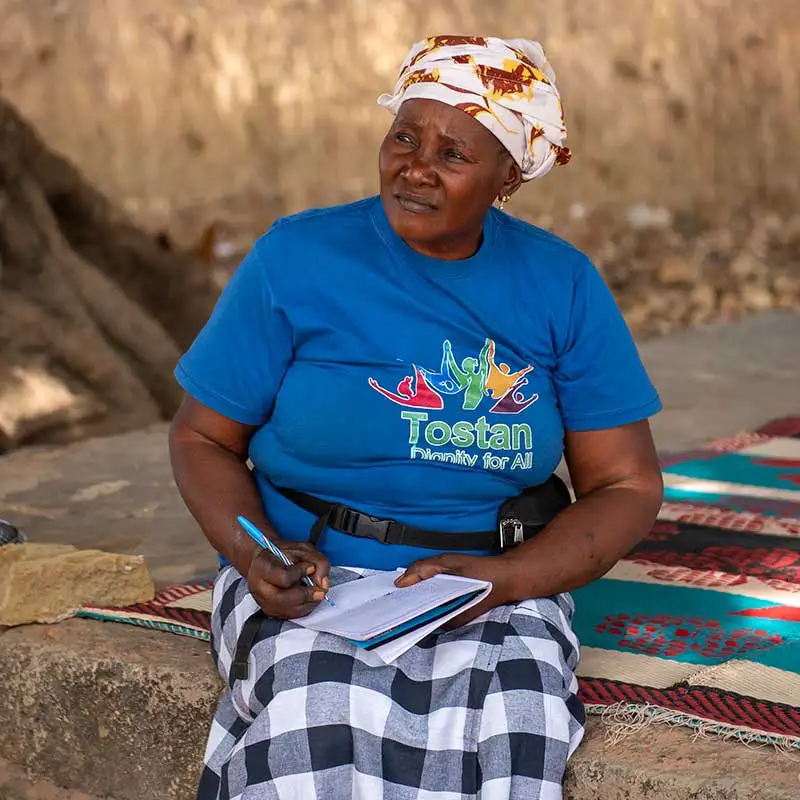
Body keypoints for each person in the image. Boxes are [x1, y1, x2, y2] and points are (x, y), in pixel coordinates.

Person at [170, 34, 664, 800]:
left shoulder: (560, 284)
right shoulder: (296, 260)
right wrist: (257, 553)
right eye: (404, 137)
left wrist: (508, 580)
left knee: (518, 725)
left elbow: (627, 485)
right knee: (316, 713)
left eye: (453, 153)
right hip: (311, 580)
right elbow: (201, 437)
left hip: (493, 582)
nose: (416, 167)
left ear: (508, 175)